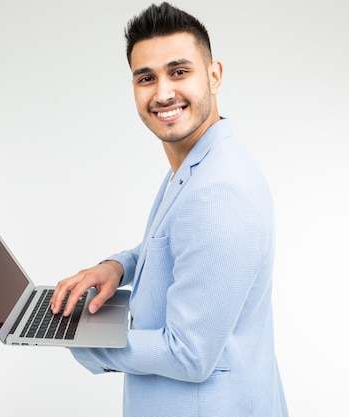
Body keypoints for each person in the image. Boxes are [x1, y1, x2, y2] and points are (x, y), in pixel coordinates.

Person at [50, 3, 288, 416]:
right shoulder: (198, 164)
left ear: (214, 76)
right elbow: (180, 245)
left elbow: (188, 354)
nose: (162, 93)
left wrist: (81, 341)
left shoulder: (219, 191)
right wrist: (117, 267)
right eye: (147, 78)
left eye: (179, 72)